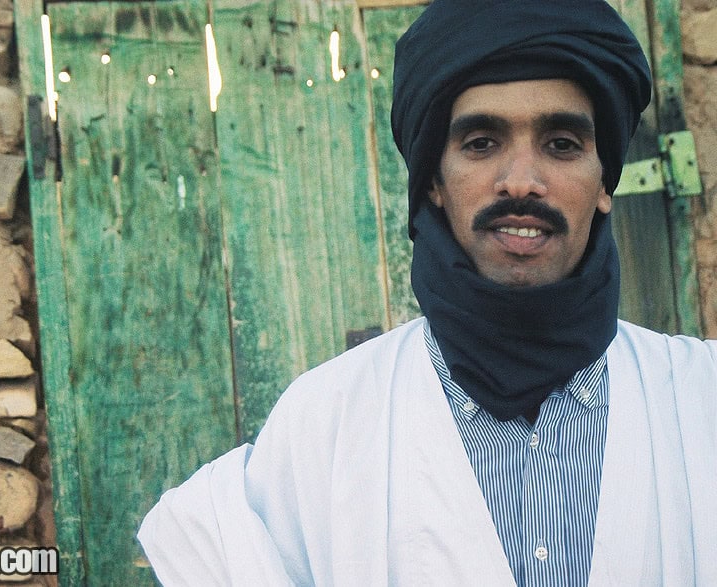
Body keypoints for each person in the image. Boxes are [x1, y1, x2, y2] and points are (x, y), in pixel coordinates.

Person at [138, 0, 717, 584]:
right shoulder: (325, 423)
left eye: (562, 144)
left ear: (604, 182)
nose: (520, 181)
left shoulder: (702, 402)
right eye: (482, 143)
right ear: (434, 182)